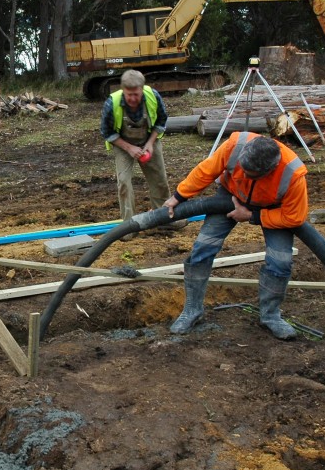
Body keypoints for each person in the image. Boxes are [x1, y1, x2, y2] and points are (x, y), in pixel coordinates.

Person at [163, 132, 308, 340]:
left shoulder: (293, 174)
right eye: (243, 170)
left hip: (273, 209)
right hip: (229, 195)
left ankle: (271, 316)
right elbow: (206, 170)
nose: (245, 176)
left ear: (269, 171)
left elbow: (295, 217)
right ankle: (192, 310)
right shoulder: (236, 145)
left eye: (251, 175)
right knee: (203, 247)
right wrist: (179, 196)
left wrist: (251, 215)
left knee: (281, 262)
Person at [100, 69, 183, 236]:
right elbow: (107, 132)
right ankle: (129, 227)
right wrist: (129, 148)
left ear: (142, 89)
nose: (132, 98)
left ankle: (163, 219)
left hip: (148, 140)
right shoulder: (112, 102)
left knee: (159, 179)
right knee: (123, 182)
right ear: (123, 90)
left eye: (136, 94)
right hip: (122, 143)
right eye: (129, 94)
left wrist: (150, 143)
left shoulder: (153, 96)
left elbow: (161, 121)